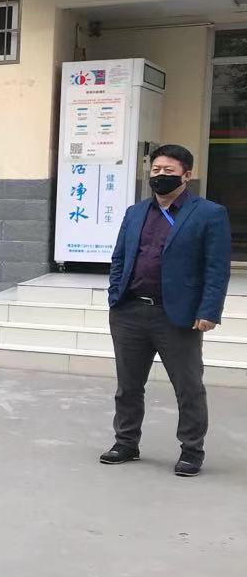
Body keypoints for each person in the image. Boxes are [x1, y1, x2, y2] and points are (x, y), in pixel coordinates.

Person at [100, 144, 231, 478]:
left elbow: (216, 268)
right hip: (130, 311)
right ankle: (126, 442)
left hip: (177, 316)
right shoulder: (135, 212)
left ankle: (191, 450)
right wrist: (115, 296)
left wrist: (209, 310)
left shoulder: (209, 213)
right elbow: (120, 257)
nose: (160, 176)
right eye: (156, 170)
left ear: (186, 175)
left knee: (188, 387)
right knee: (128, 386)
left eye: (168, 171)